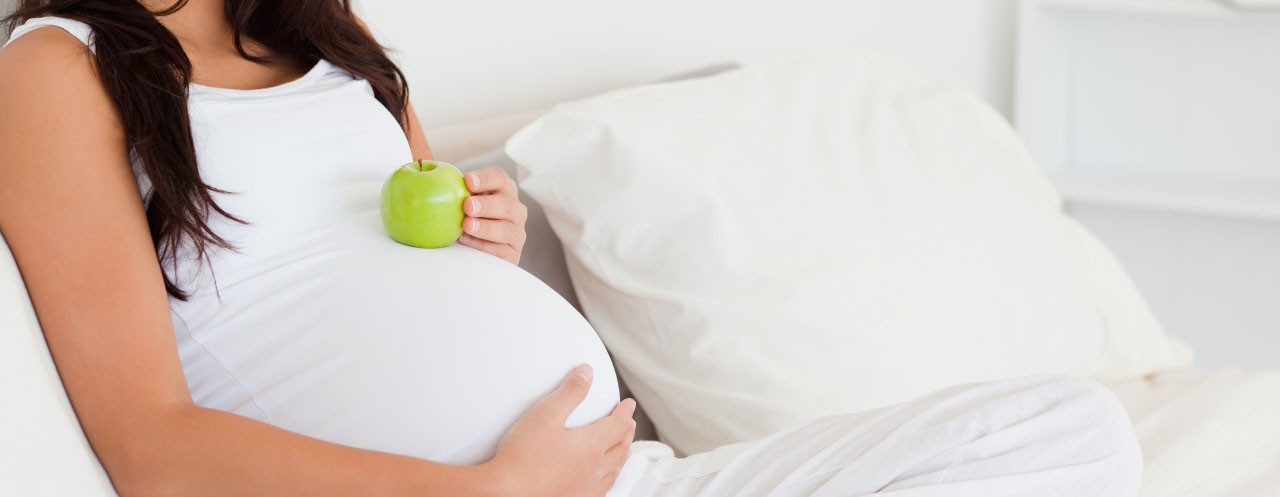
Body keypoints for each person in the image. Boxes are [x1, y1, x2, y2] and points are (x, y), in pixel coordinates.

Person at [0, 1, 1144, 496]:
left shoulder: (319, 31)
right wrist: (488, 492)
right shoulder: (60, 66)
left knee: (1071, 430)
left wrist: (483, 232)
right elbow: (149, 441)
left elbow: (405, 233)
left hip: (623, 478)